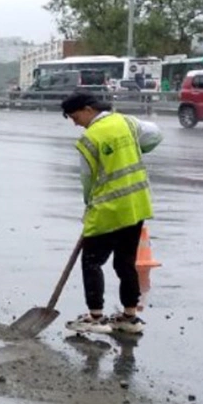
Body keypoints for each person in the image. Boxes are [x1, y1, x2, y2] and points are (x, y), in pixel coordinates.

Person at [60, 93, 162, 335]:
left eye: (75, 117)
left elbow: (87, 178)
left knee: (92, 261)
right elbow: (156, 134)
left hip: (108, 209)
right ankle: (129, 317)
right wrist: (139, 149)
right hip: (136, 205)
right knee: (125, 262)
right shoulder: (127, 122)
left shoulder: (90, 138)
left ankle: (95, 317)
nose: (75, 123)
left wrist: (89, 204)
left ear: (87, 109)